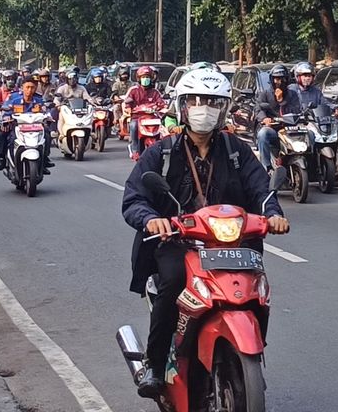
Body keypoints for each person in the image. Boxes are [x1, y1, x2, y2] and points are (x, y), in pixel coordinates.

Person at [121, 68, 288, 398]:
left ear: (223, 108)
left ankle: (247, 356)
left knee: (255, 291)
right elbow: (134, 197)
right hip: (178, 241)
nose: (203, 108)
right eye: (196, 101)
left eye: (212, 102)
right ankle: (155, 364)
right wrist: (153, 219)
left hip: (231, 243)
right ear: (182, 106)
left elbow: (260, 189)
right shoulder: (162, 152)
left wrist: (273, 213)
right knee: (171, 284)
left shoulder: (236, 150)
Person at [0, 78, 48, 171]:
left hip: (35, 128)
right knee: (4, 134)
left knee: (46, 134)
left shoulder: (38, 100)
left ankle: (44, 160)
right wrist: (6, 118)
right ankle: (2, 158)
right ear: (22, 87)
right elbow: (6, 109)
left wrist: (48, 117)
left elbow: (45, 112)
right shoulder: (14, 98)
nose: (29, 90)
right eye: (27, 87)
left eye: (32, 87)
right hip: (17, 127)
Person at [255, 64, 292, 171]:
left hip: (290, 129)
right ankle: (266, 167)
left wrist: (281, 101)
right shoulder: (265, 93)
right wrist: (264, 119)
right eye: (276, 79)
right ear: (272, 79)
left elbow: (297, 109)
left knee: (311, 135)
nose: (279, 82)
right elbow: (258, 109)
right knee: (263, 134)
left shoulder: (292, 94)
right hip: (274, 129)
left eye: (281, 79)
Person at [124, 66, 166, 158]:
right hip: (137, 117)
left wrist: (163, 107)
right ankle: (134, 149)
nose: (145, 79)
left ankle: (164, 148)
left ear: (151, 78)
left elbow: (161, 103)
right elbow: (127, 101)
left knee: (164, 128)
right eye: (143, 77)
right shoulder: (134, 90)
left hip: (153, 118)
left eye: (147, 77)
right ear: (139, 79)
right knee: (133, 126)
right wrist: (128, 108)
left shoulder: (155, 92)